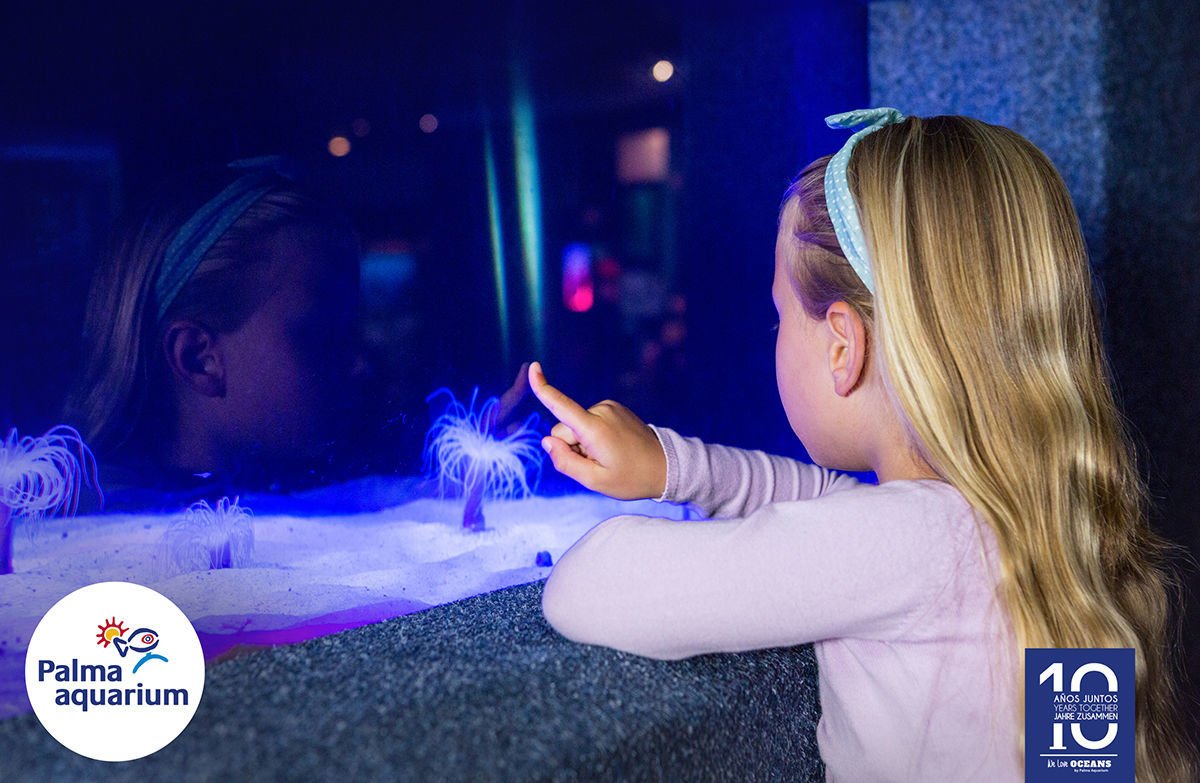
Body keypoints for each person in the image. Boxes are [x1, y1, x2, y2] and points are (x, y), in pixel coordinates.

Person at [529, 110, 1195, 781]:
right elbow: (831, 502)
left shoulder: (910, 543)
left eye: (780, 317)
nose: (776, 336)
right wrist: (671, 466)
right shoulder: (1052, 524)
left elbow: (586, 585)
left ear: (843, 346)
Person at [65, 161, 364, 494]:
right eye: (322, 336)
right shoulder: (107, 524)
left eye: (353, 330)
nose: (359, 365)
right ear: (198, 358)